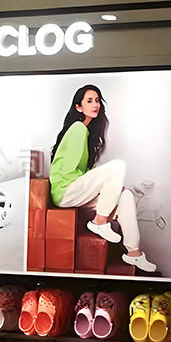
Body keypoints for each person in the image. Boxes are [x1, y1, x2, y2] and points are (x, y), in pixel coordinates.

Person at [49, 85, 156, 273]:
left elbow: (85, 172)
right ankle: (100, 221)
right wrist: (99, 187)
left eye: (97, 100)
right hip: (65, 190)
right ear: (78, 107)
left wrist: (109, 190)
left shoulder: (87, 132)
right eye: (89, 101)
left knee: (126, 195)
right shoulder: (77, 129)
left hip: (76, 190)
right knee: (117, 166)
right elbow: (67, 171)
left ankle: (134, 252)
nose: (95, 105)